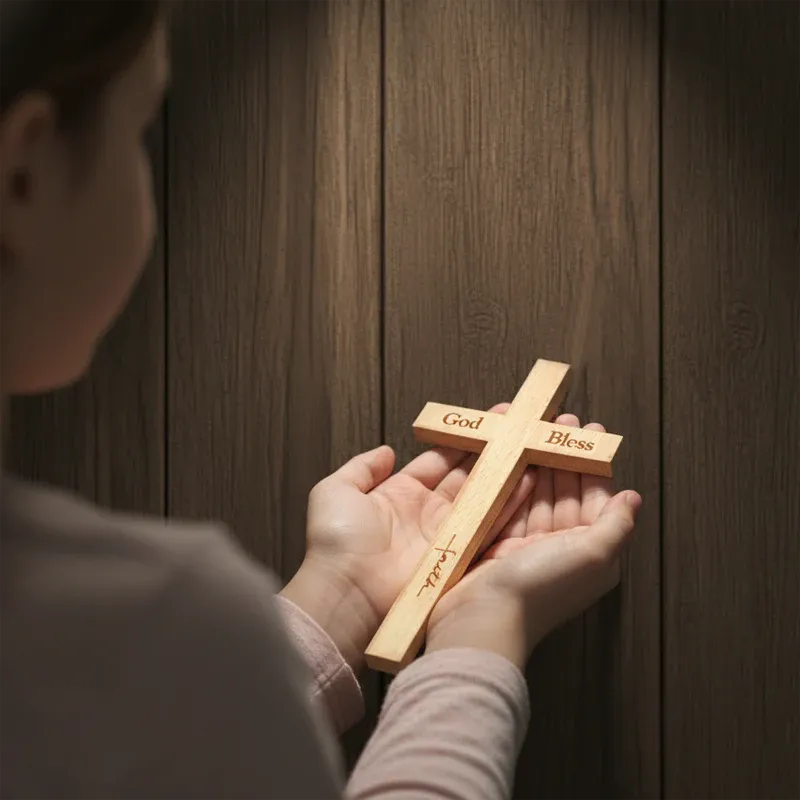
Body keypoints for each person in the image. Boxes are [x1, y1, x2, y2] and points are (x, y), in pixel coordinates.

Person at [0, 2, 642, 798]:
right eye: (141, 133)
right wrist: (485, 631)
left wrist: (340, 593)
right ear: (24, 175)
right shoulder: (146, 614)